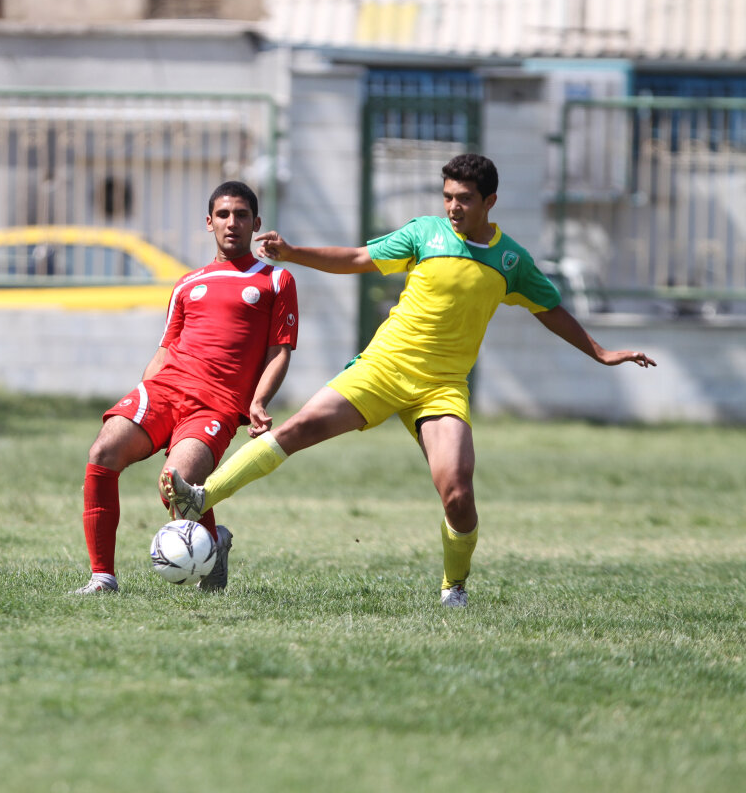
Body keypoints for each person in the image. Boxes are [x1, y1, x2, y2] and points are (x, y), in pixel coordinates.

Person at [161, 153, 656, 607]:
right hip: (383, 367)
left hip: (442, 387)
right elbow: (357, 259)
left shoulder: (511, 261)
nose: (453, 207)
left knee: (458, 493)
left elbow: (550, 309)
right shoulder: (425, 234)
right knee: (297, 429)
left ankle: (454, 587)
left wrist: (601, 352)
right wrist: (293, 252)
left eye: (465, 199)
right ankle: (202, 496)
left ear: (490, 202)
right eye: (448, 197)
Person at [73, 181, 300, 594]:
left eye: (242, 215)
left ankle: (213, 545)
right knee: (103, 451)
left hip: (216, 405)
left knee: (175, 486)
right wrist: (144, 400)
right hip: (165, 389)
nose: (232, 223)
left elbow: (279, 351)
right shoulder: (187, 283)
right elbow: (165, 350)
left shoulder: (275, 279)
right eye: (224, 215)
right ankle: (102, 578)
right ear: (209, 222)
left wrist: (259, 400)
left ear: (256, 223)